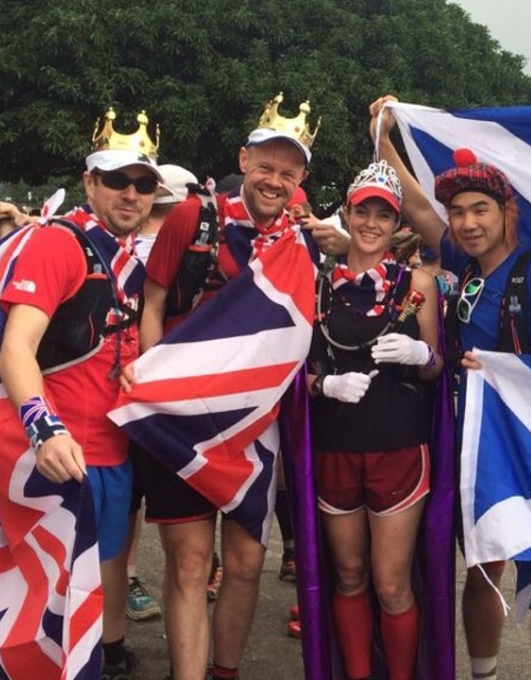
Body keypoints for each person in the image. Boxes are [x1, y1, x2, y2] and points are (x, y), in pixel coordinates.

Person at [371, 95, 531, 680]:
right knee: (483, 564)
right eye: (458, 212)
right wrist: (383, 135)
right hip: (468, 442)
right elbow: (415, 204)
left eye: (480, 209)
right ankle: (483, 673)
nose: (467, 223)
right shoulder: (461, 266)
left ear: (506, 213)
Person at [140, 93, 318, 680]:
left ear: (300, 181)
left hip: (255, 427)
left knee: (244, 564)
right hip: (184, 417)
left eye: (287, 173)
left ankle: (226, 671)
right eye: (265, 166)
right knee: (191, 566)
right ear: (244, 160)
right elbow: (153, 302)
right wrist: (153, 388)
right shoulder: (196, 217)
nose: (274, 181)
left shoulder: (302, 236)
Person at [0, 107, 162, 678]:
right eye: (116, 180)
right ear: (90, 182)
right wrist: (44, 429)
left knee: (105, 566)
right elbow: (15, 349)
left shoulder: (126, 258)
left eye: (143, 184)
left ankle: (107, 650)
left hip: (110, 457)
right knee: (42, 606)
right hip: (56, 460)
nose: (131, 194)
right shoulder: (59, 244)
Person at [307, 159, 443, 680]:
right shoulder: (316, 285)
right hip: (335, 447)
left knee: (391, 584)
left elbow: (435, 369)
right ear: (347, 213)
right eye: (362, 211)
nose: (370, 223)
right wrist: (324, 385)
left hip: (398, 448)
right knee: (348, 576)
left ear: (397, 224)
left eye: (383, 215)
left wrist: (419, 354)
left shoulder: (419, 284)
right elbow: (296, 372)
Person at [124, 163, 198, 623]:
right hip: (129, 386)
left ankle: (131, 579)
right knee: (127, 495)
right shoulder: (114, 243)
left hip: (163, 386)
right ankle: (127, 579)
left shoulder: (196, 241)